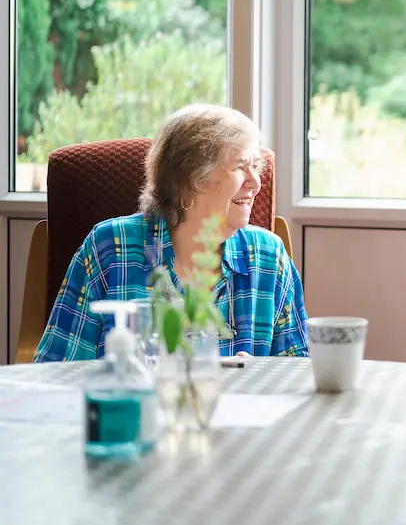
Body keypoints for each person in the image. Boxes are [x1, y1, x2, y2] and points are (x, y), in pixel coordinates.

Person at [34, 104, 309, 362]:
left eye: (255, 166)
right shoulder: (110, 248)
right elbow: (56, 369)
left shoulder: (268, 257)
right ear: (193, 178)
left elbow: (298, 377)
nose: (256, 182)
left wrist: (259, 378)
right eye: (240, 166)